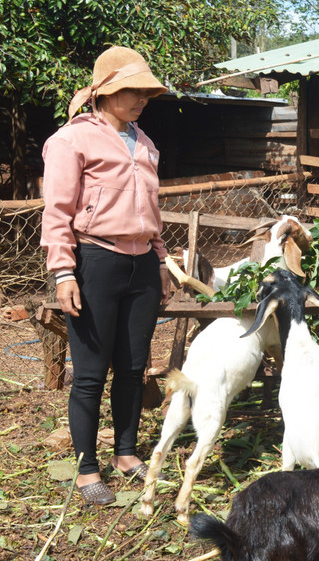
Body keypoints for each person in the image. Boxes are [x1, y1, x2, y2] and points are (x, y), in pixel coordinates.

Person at [40, 46, 172, 505]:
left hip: (141, 266)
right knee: (91, 373)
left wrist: (160, 261)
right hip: (95, 262)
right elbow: (56, 211)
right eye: (134, 91)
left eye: (146, 92)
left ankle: (126, 453)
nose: (142, 99)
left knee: (134, 369)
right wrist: (63, 272)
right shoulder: (71, 140)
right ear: (108, 91)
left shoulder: (146, 142)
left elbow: (151, 211)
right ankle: (86, 468)